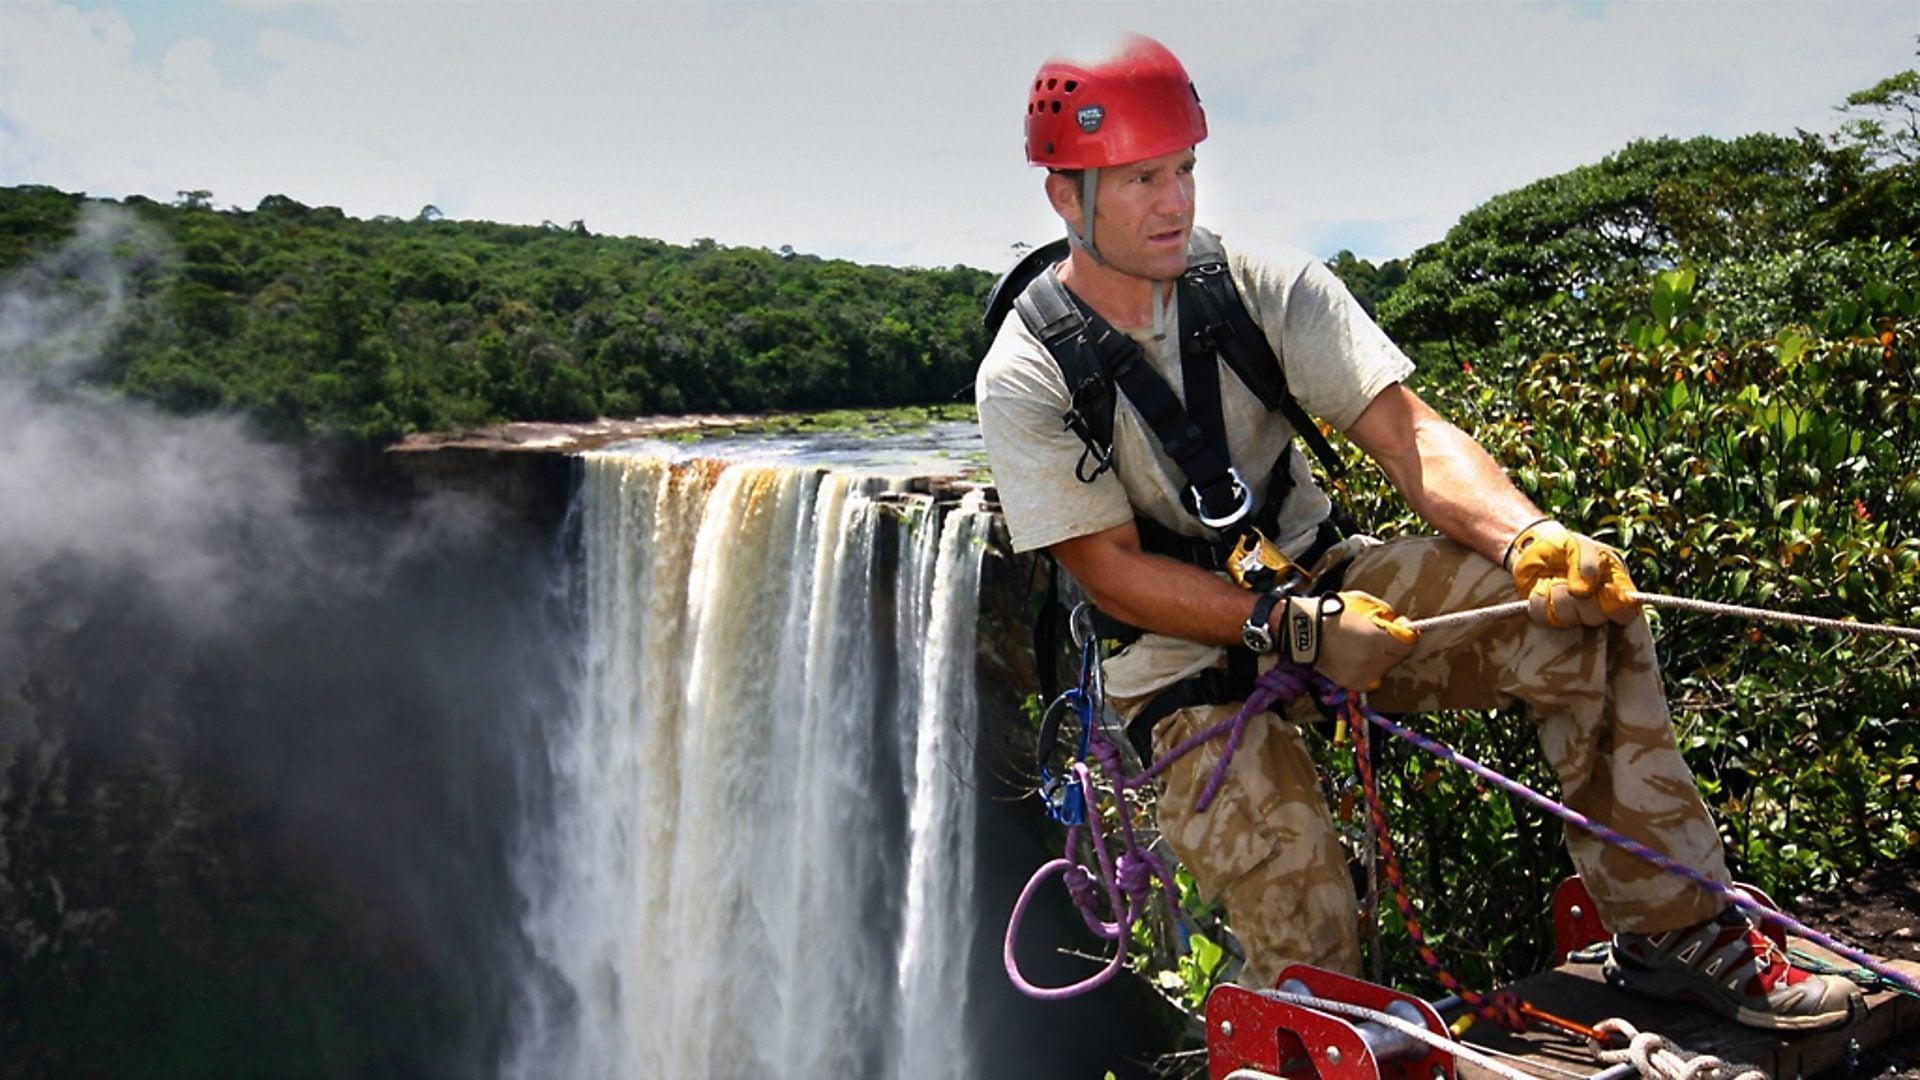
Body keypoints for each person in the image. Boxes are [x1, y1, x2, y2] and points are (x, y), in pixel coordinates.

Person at [976, 31, 1860, 1031]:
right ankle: (1312, 1036)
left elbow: (1413, 442)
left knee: (1577, 619)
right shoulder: (1029, 372)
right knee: (1297, 891)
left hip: (1331, 579)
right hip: (1178, 663)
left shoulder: (1261, 289)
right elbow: (1111, 573)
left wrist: (1532, 537)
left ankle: (1675, 931)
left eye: (1183, 169)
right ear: (1066, 197)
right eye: (1140, 180)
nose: (1176, 202)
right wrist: (1293, 629)